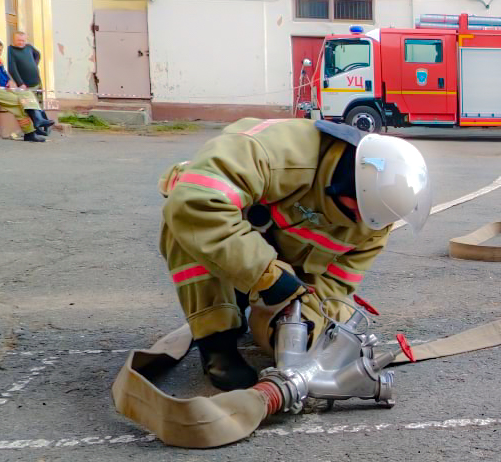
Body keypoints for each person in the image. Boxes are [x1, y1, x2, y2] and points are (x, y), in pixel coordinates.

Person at [157, 118, 431, 390]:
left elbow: (335, 286)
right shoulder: (278, 152)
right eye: (358, 210)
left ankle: (265, 319)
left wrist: (311, 327)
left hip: (286, 273)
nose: (363, 221)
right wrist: (267, 276)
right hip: (227, 245)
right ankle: (216, 340)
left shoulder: (375, 218)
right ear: (350, 183)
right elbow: (195, 202)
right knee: (187, 228)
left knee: (310, 332)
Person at [0, 40, 54, 142]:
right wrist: (5, 84)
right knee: (18, 102)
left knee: (26, 93)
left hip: (2, 88)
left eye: (0, 50)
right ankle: (31, 131)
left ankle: (37, 119)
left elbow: (4, 74)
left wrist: (9, 81)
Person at [7, 31, 43, 105]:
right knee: (29, 106)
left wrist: (34, 64)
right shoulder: (10, 50)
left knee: (39, 105)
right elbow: (12, 69)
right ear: (13, 40)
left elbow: (38, 54)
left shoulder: (29, 47)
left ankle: (41, 116)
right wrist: (20, 83)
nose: (21, 42)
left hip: (37, 83)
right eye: (19, 40)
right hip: (25, 86)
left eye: (23, 40)